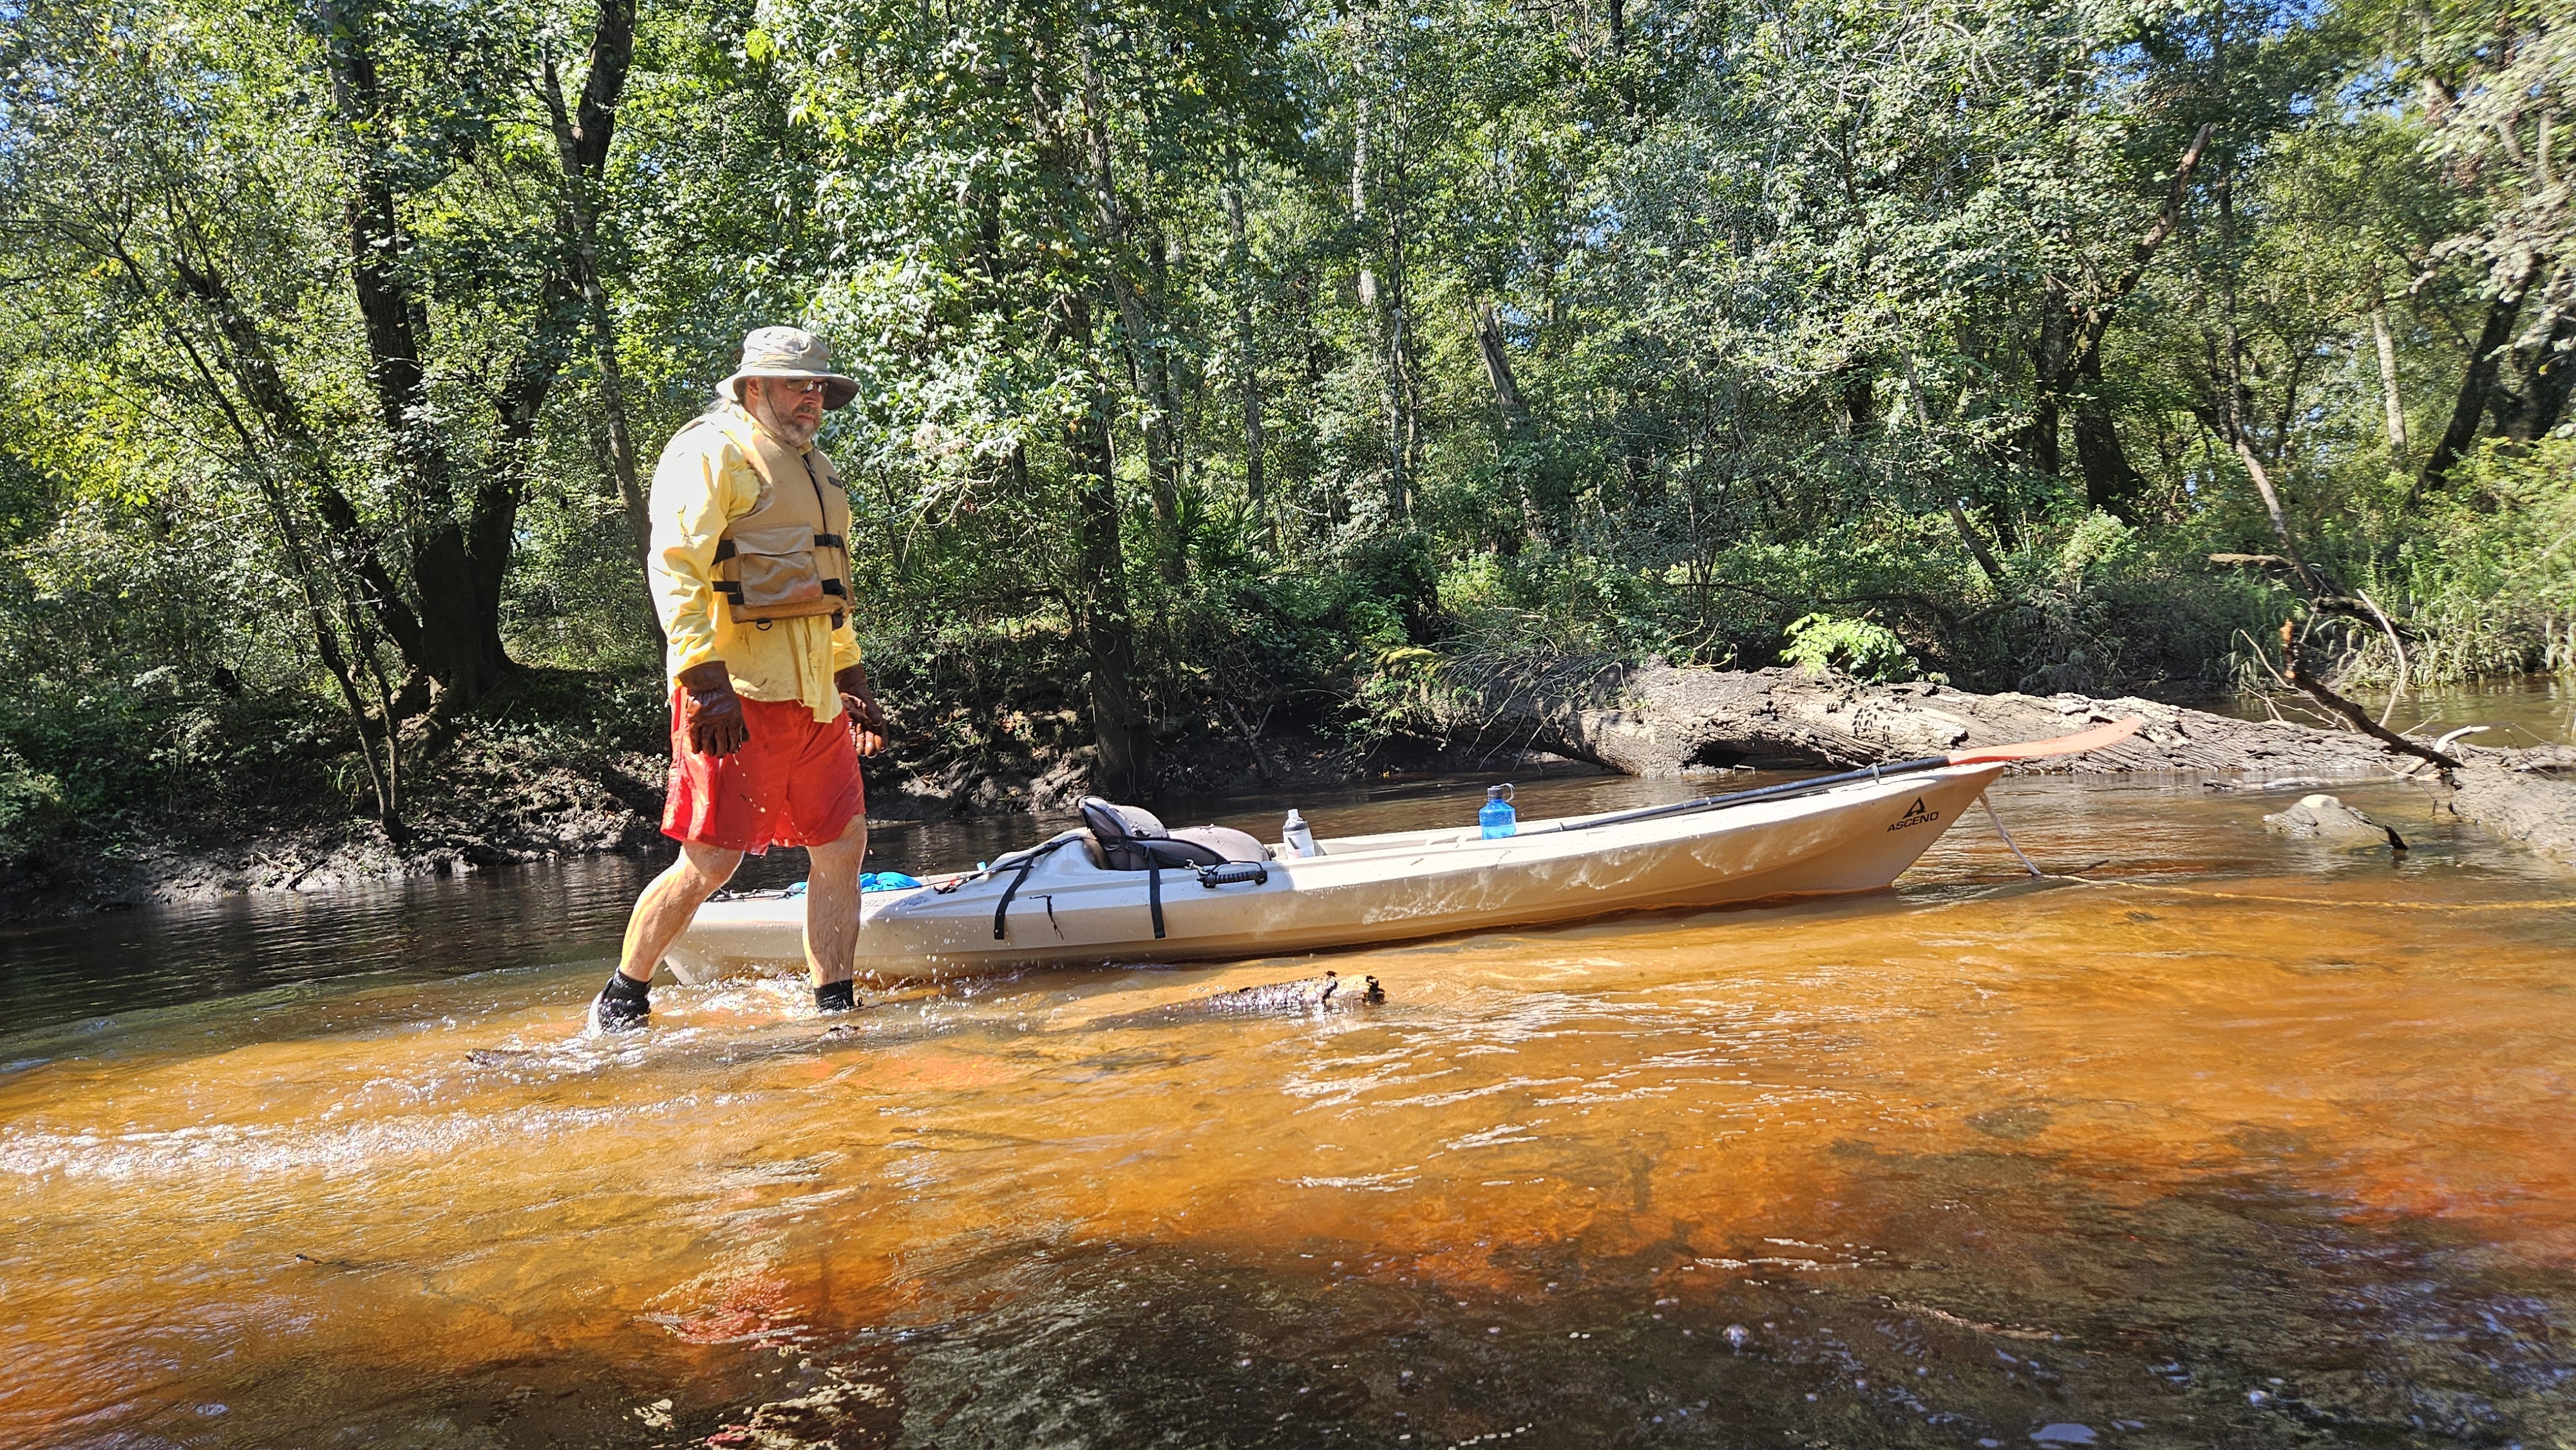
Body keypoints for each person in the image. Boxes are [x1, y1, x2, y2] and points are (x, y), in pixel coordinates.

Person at [591, 326, 889, 1033]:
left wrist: (852, 676)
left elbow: (827, 588)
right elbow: (676, 567)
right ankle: (623, 996)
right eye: (796, 384)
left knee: (843, 842)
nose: (811, 398)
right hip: (738, 693)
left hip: (816, 695)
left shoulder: (816, 468)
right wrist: (706, 682)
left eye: (818, 386)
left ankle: (834, 1009)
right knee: (711, 860)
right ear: (753, 387)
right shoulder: (710, 452)